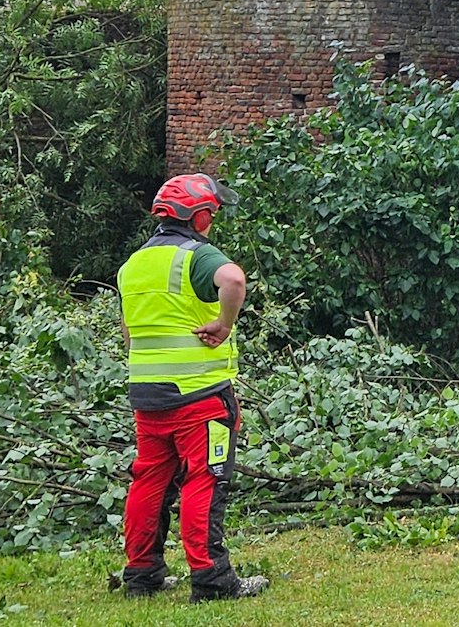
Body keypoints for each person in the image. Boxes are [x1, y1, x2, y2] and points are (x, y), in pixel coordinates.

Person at [113, 174, 269, 601]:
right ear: (199, 217)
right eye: (211, 215)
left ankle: (141, 576)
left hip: (147, 396)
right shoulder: (195, 256)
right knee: (204, 480)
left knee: (149, 481)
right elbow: (234, 280)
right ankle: (213, 580)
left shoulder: (134, 265)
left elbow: (129, 334)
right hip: (198, 396)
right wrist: (224, 323)